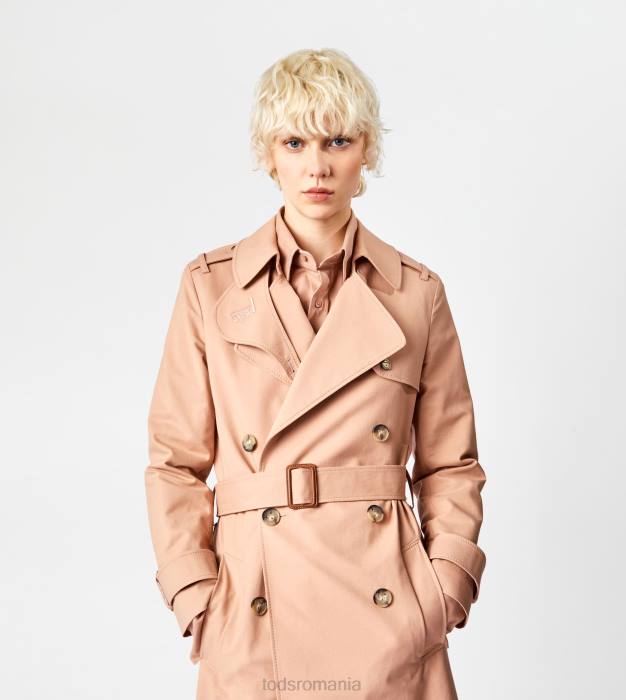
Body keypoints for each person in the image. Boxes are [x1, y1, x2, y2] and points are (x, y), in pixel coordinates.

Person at [144, 47, 487, 699]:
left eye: (338, 140)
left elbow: (451, 465)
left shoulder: (417, 294)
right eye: (295, 141)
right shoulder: (210, 288)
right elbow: (174, 462)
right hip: (252, 609)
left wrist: (445, 584)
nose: (317, 166)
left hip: (387, 614)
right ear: (268, 154)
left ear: (367, 152)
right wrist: (195, 593)